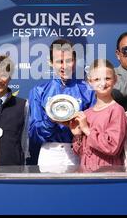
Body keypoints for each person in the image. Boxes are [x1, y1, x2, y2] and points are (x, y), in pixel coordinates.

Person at [28, 39, 96, 168]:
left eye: (69, 60)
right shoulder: (38, 91)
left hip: (78, 151)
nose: (64, 66)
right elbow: (34, 134)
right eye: (59, 61)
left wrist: (79, 128)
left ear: (75, 62)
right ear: (51, 62)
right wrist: (51, 120)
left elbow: (93, 129)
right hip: (49, 152)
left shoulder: (88, 91)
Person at [69, 59, 127, 172]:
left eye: (107, 78)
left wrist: (87, 130)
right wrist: (77, 136)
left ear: (115, 80)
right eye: (97, 79)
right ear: (89, 82)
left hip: (107, 174)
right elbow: (80, 152)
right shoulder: (87, 113)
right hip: (87, 174)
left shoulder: (117, 110)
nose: (103, 83)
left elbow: (112, 147)